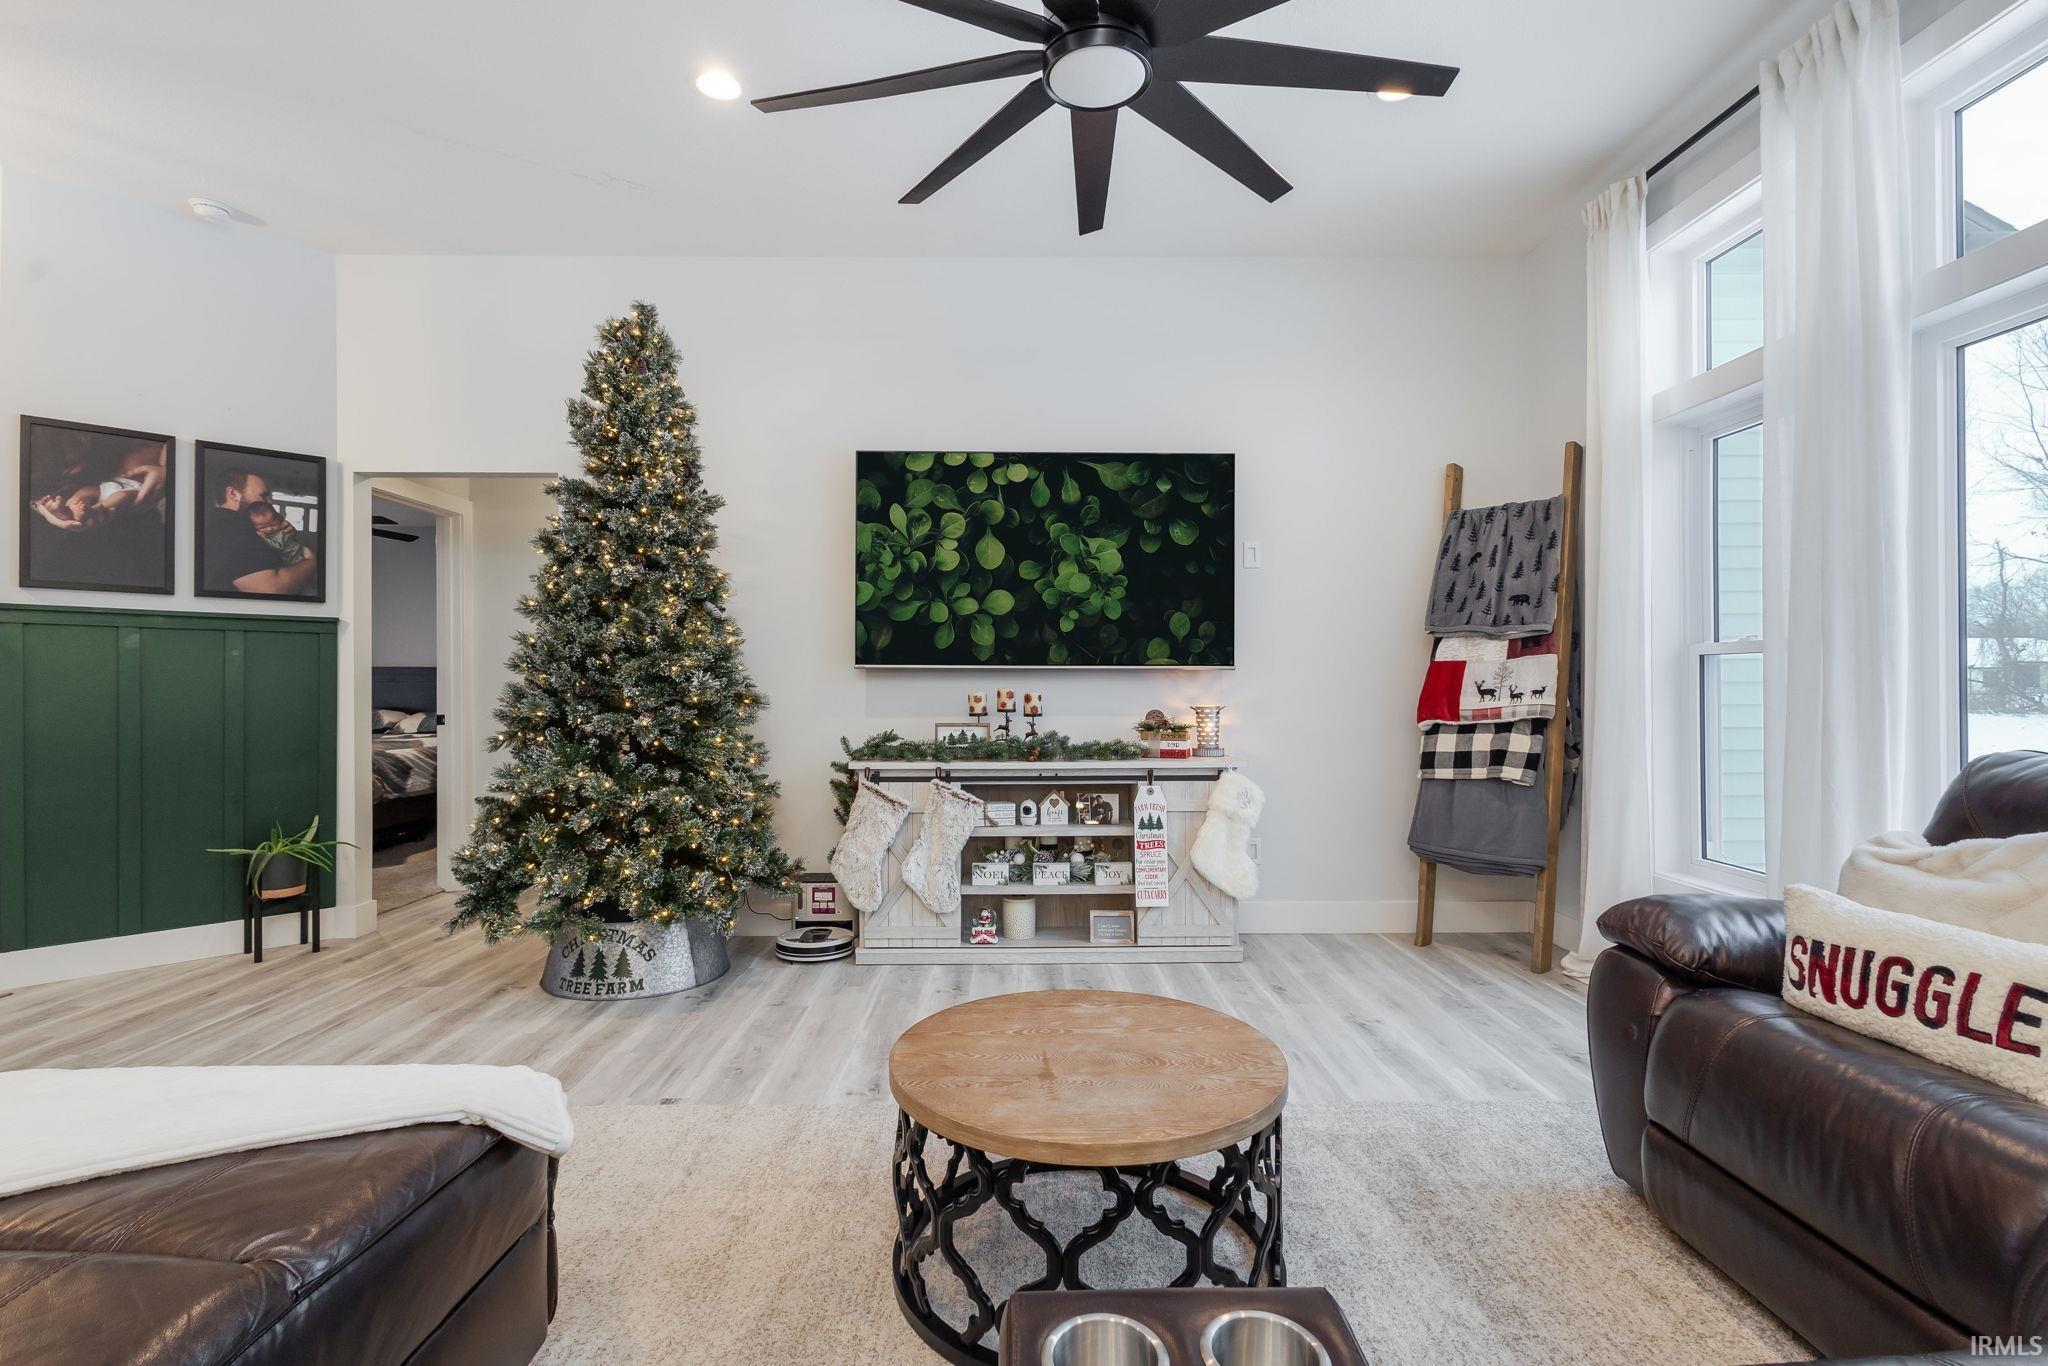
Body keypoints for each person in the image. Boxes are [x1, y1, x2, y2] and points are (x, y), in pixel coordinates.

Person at [203, 467, 318, 595]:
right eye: (263, 495)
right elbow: (271, 589)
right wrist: (311, 562)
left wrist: (286, 538)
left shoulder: (233, 525)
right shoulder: (232, 527)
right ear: (233, 494)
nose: (270, 501)